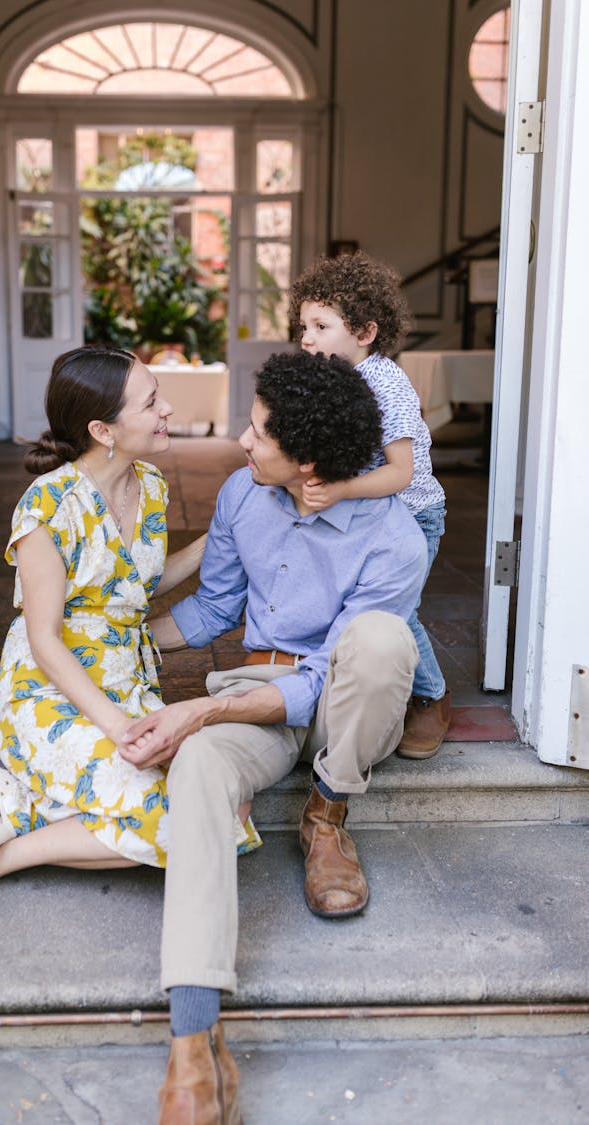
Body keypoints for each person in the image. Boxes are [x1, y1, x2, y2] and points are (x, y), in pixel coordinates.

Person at [118, 351, 428, 1123]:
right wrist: (113, 640)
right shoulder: (242, 493)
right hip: (253, 690)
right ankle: (194, 1041)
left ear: (310, 460)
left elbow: (325, 681)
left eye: (258, 433)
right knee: (196, 766)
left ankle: (326, 812)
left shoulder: (395, 539)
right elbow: (213, 606)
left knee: (384, 641)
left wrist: (201, 710)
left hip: (341, 707)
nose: (241, 441)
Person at [0, 344, 258, 914]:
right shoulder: (47, 508)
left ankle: (7, 815)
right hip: (50, 692)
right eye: (152, 401)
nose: (167, 409)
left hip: (125, 683)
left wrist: (218, 544)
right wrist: (120, 728)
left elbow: (131, 586)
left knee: (227, 809)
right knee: (181, 820)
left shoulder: (152, 486)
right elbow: (45, 639)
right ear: (102, 429)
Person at [290, 251, 451, 758]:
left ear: (364, 333)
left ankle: (433, 698)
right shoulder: (331, 378)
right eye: (303, 326)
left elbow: (399, 473)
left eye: (321, 325)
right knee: (354, 603)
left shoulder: (386, 384)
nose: (307, 338)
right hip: (366, 515)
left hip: (412, 516)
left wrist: (335, 491)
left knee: (399, 611)